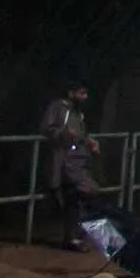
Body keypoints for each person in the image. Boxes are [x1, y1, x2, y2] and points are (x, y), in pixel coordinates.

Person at [39, 82, 100, 251]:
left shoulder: (77, 113)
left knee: (81, 196)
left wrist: (90, 142)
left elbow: (82, 134)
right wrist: (64, 134)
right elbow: (47, 129)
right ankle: (72, 237)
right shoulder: (58, 108)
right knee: (75, 195)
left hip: (78, 161)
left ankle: (76, 235)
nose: (85, 97)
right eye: (82, 93)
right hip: (65, 161)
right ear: (71, 93)